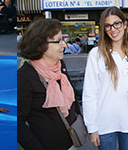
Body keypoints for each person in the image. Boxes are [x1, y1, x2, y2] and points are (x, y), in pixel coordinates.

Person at [82, 7, 128, 150]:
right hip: (104, 125)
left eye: (117, 24)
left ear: (125, 24)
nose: (113, 29)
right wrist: (92, 128)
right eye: (108, 26)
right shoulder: (96, 54)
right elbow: (89, 94)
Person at [17, 19, 82, 149]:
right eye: (58, 41)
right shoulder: (26, 76)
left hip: (73, 142)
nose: (64, 45)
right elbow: (17, 123)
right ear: (41, 45)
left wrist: (79, 120)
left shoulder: (60, 65)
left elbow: (73, 98)